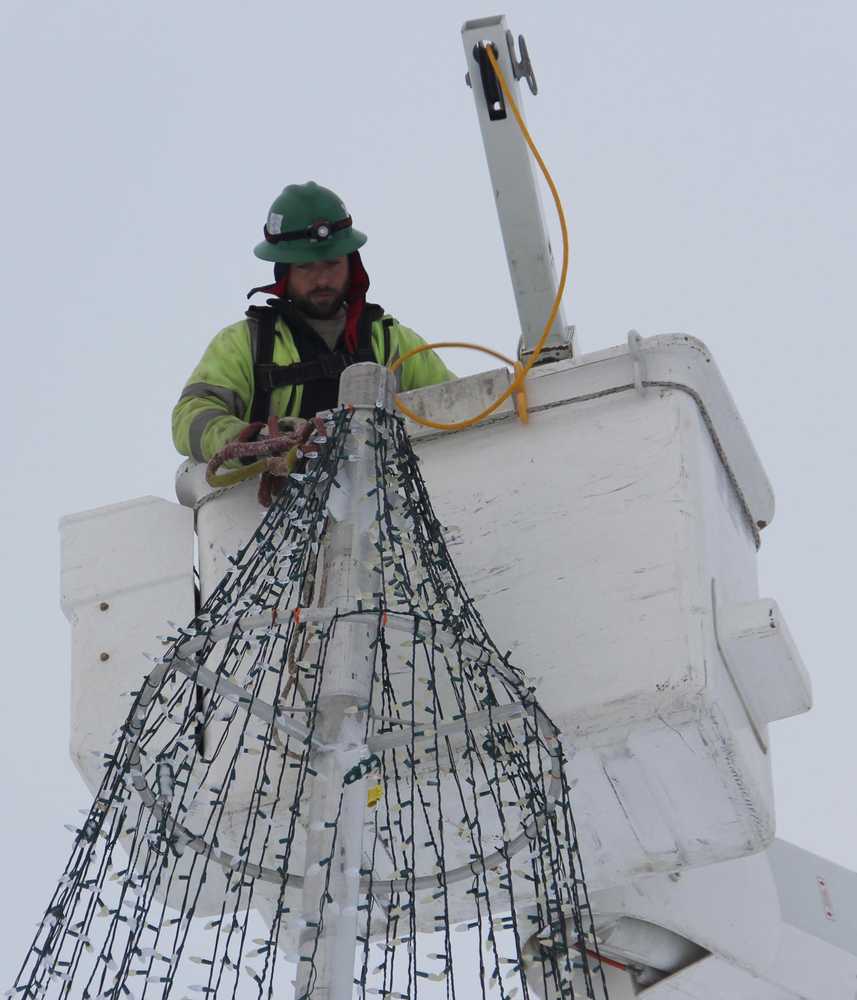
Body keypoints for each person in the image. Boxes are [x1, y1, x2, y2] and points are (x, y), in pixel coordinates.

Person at [172, 182, 455, 464]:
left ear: (351, 264)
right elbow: (190, 414)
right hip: (266, 506)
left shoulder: (390, 340)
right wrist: (250, 440)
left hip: (378, 501)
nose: (321, 280)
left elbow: (454, 405)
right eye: (305, 266)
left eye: (332, 263)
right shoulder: (246, 344)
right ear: (283, 271)